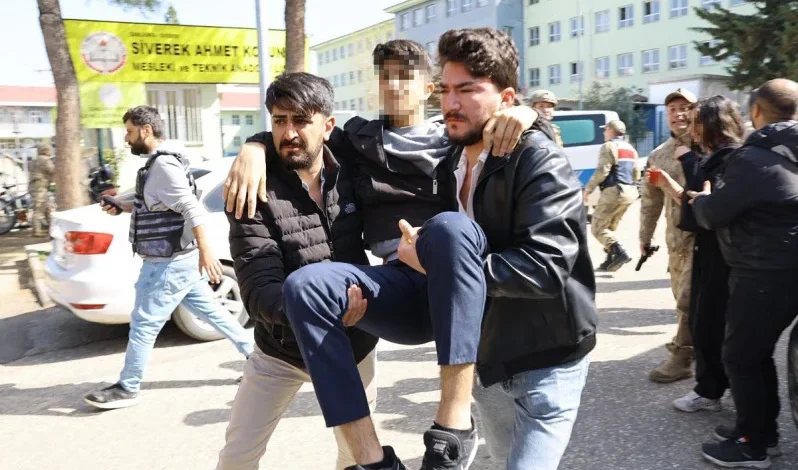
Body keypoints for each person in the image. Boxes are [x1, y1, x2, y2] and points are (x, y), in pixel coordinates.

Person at [224, 39, 538, 470]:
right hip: (376, 294)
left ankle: (454, 424)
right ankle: (376, 463)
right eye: (385, 76)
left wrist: (527, 113)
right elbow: (303, 129)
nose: (394, 85)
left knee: (508, 443)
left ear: (429, 86)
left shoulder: (457, 134)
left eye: (405, 75)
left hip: (459, 278)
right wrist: (254, 146)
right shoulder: (359, 143)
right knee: (264, 449)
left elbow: (511, 127)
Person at [433, 28, 596, 470]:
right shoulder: (448, 161)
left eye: (467, 89)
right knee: (504, 460)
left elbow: (546, 266)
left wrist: (443, 271)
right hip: (486, 361)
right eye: (444, 90)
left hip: (548, 361)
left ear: (505, 98)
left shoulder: (537, 158)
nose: (451, 103)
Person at [216, 73, 379, 470]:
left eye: (301, 120)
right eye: (278, 120)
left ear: (328, 125)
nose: (288, 132)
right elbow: (258, 292)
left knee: (354, 455)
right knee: (237, 457)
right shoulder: (253, 190)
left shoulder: (352, 171)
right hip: (281, 352)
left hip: (354, 345)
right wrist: (255, 145)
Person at [83, 106, 254, 410]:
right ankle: (258, 359)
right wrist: (119, 202)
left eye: (130, 132)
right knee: (214, 314)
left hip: (166, 262)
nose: (126, 138)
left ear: (146, 130)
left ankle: (128, 386)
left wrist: (207, 252)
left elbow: (191, 207)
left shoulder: (163, 165)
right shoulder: (161, 163)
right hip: (178, 260)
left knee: (143, 324)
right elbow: (153, 203)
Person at [689, 79, 798, 469]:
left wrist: (703, 199)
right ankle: (759, 432)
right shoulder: (786, 153)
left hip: (763, 273)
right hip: (782, 270)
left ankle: (753, 445)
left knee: (740, 357)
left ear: (756, 111)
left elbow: (713, 214)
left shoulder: (753, 159)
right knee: (755, 354)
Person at [649, 96, 748, 417]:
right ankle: (712, 389)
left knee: (713, 325)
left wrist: (688, 167)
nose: (689, 127)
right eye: (677, 114)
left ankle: (730, 401)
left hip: (724, 255)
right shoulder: (709, 156)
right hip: (705, 251)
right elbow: (692, 207)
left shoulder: (730, 159)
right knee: (703, 321)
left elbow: (703, 213)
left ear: (713, 125)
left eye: (695, 121)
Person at [640, 87, 698, 384]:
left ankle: (681, 358)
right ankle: (699, 351)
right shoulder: (658, 155)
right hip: (675, 242)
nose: (679, 114)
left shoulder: (708, 147)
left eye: (685, 107)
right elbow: (650, 201)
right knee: (681, 299)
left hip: (702, 240)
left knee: (688, 301)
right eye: (673, 109)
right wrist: (645, 237)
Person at [582, 119, 640, 271]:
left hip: (614, 191)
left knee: (597, 228)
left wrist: (588, 189)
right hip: (629, 192)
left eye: (605, 129)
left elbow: (602, 171)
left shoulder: (608, 146)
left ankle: (620, 252)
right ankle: (609, 260)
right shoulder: (630, 148)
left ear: (611, 131)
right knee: (609, 228)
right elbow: (636, 173)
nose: (603, 132)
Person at [28, 143, 55, 237]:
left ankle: (52, 228)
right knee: (39, 209)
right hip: (40, 187)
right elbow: (52, 170)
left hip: (35, 187)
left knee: (48, 208)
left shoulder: (35, 160)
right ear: (46, 150)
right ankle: (36, 231)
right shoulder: (45, 160)